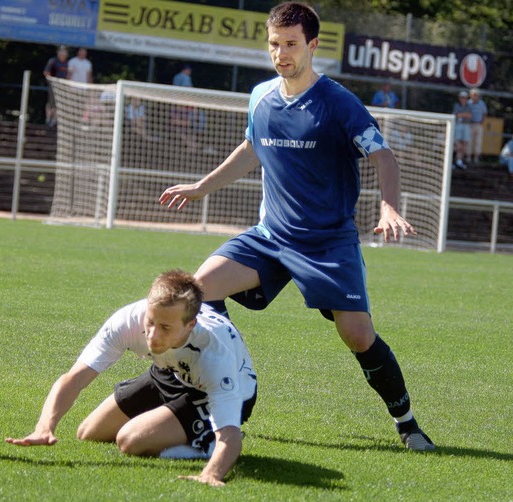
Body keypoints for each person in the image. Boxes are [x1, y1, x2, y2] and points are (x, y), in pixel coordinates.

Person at [159, 1, 434, 452]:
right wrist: (201, 187)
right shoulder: (260, 96)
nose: (281, 53)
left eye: (290, 44)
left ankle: (407, 423)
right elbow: (251, 147)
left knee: (358, 336)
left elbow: (383, 155)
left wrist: (389, 207)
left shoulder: (339, 103)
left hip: (328, 244)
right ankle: (232, 379)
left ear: (312, 45)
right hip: (271, 237)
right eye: (274, 44)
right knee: (198, 292)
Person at [6, 269, 258, 487]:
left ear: (190, 325)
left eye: (165, 328)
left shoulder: (213, 353)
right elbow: (74, 378)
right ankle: (170, 423)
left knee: (130, 440)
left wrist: (211, 474)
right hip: (169, 371)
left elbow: (230, 432)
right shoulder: (127, 321)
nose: (152, 335)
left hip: (221, 390)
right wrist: (44, 428)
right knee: (88, 432)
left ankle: (206, 446)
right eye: (150, 321)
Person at [43, 45, 69, 127]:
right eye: (61, 51)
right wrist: (52, 81)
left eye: (64, 52)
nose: (63, 53)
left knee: (59, 103)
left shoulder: (67, 63)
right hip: (53, 85)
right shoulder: (53, 61)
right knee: (51, 103)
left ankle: (54, 120)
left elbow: (68, 75)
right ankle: (48, 119)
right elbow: (46, 72)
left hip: (63, 86)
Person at [467, 88, 488, 164]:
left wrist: (482, 122)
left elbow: (485, 113)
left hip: (479, 124)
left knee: (478, 141)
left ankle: (476, 157)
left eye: (476, 95)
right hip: (470, 124)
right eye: (473, 94)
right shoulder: (468, 103)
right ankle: (468, 157)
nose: (475, 96)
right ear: (471, 95)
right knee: (469, 141)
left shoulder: (482, 103)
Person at [452, 91, 472, 169]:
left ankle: (459, 161)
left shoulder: (469, 106)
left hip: (466, 125)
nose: (463, 99)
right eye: (462, 97)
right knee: (457, 144)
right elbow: (456, 115)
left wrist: (461, 115)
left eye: (465, 98)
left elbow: (470, 115)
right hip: (458, 125)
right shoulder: (456, 105)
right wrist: (464, 115)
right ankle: (451, 161)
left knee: (463, 144)